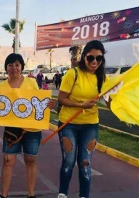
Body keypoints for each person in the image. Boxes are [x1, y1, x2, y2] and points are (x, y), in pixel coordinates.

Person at [0, 53, 54, 198]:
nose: (14, 68)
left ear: (21, 67)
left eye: (17, 65)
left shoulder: (31, 83)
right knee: (8, 161)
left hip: (32, 129)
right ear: (6, 68)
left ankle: (31, 194)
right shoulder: (0, 86)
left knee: (30, 160)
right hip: (11, 129)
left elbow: (38, 102)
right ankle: (4, 195)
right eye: (10, 65)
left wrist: (48, 104)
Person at [57, 40, 108, 198]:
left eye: (98, 58)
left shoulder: (103, 79)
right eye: (90, 57)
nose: (94, 62)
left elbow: (109, 101)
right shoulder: (73, 74)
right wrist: (81, 105)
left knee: (85, 163)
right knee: (68, 161)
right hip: (68, 124)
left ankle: (84, 195)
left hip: (90, 126)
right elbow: (61, 98)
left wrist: (117, 101)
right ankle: (63, 194)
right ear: (84, 57)